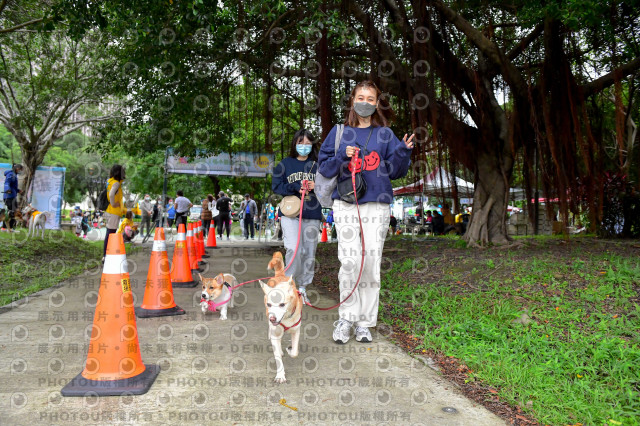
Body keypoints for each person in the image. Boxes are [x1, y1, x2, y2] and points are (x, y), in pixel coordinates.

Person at [318, 80, 414, 344]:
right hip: (346, 203)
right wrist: (341, 156)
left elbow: (396, 171)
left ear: (377, 103)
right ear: (352, 100)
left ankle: (364, 323)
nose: (365, 102)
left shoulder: (385, 134)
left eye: (370, 99)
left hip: (377, 203)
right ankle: (346, 318)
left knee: (371, 265)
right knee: (349, 261)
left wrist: (403, 151)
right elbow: (325, 169)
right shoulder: (338, 133)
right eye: (360, 97)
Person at [272, 129, 323, 302]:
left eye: (308, 143)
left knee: (309, 252)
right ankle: (289, 284)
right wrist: (295, 187)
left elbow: (328, 187)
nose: (304, 146)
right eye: (301, 143)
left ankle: (302, 287)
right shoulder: (285, 164)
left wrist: (316, 185)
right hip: (290, 213)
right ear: (295, 144)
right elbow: (276, 186)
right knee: (294, 248)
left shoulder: (318, 165)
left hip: (312, 213)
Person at [103, 164, 125, 259]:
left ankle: (106, 254)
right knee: (111, 233)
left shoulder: (109, 181)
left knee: (109, 232)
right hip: (113, 212)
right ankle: (106, 256)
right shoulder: (116, 183)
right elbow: (111, 194)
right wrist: (114, 204)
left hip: (109, 211)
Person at [3, 163, 23, 232]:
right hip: (9, 196)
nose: (20, 171)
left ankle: (9, 228)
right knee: (10, 213)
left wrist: (18, 190)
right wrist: (8, 189)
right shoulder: (11, 174)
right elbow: (7, 183)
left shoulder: (14, 175)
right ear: (17, 168)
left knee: (13, 212)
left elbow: (13, 186)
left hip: (12, 196)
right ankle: (6, 228)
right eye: (20, 169)